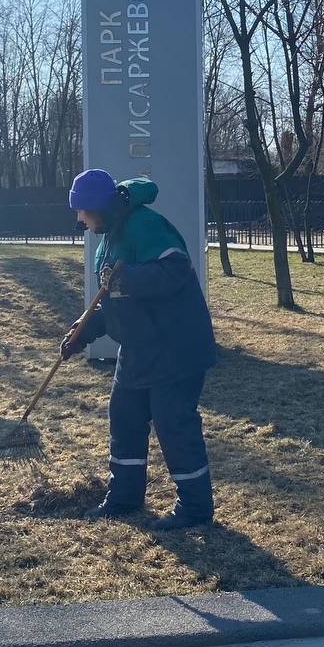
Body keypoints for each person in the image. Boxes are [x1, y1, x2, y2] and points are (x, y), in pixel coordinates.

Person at [59, 169, 217, 530]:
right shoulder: (109, 238)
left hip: (177, 346)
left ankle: (195, 508)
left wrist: (127, 276)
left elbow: (175, 270)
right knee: (125, 418)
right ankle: (124, 497)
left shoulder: (145, 226)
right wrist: (84, 330)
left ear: (99, 205)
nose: (79, 219)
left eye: (82, 210)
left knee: (174, 424)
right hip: (140, 348)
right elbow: (112, 298)